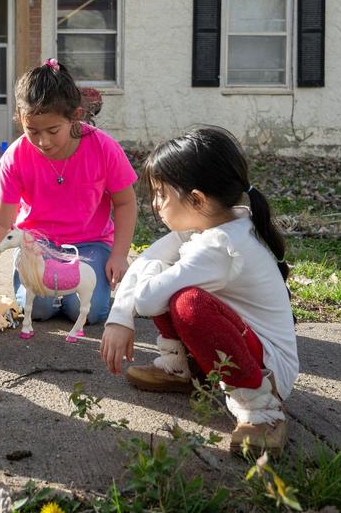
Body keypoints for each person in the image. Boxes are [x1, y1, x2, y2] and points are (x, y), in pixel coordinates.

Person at [101, 127, 297, 456]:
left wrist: (155, 272)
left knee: (187, 302)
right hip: (246, 343)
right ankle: (183, 370)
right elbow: (146, 260)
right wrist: (119, 317)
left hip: (269, 371)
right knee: (171, 284)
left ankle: (262, 409)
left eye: (162, 193)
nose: (155, 202)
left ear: (197, 199)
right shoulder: (215, 224)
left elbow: (148, 299)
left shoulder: (220, 246)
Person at [0, 59, 137, 327]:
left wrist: (118, 254)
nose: (43, 141)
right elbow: (1, 221)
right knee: (37, 310)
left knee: (87, 311)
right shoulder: (16, 157)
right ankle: (46, 291)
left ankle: (70, 295)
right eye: (32, 131)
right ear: (20, 119)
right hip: (37, 244)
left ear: (75, 115)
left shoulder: (104, 149)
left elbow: (125, 202)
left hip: (90, 244)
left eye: (53, 130)